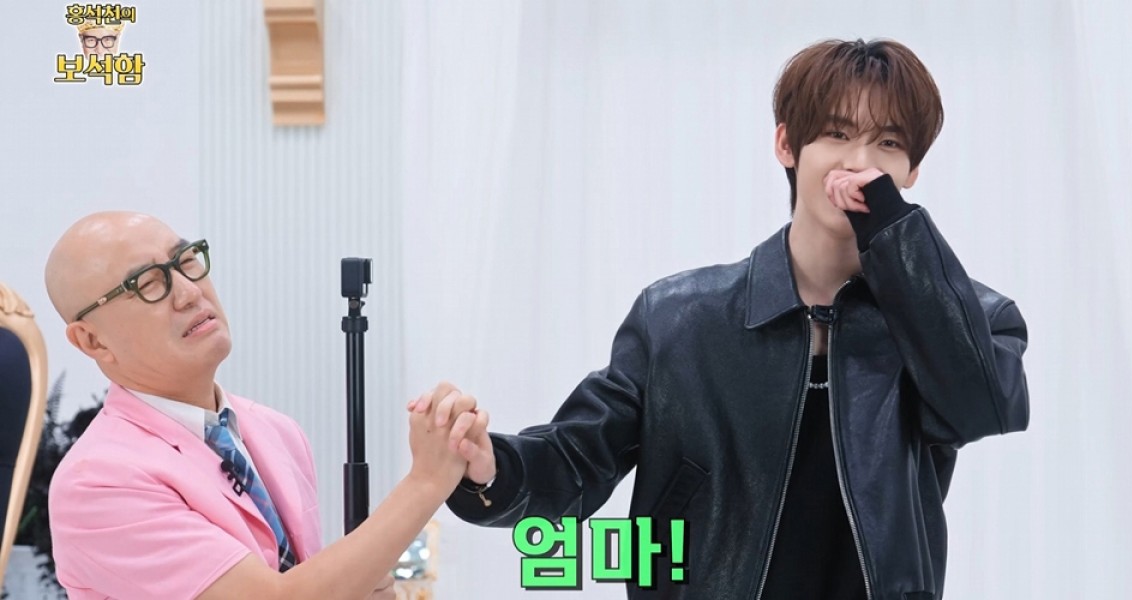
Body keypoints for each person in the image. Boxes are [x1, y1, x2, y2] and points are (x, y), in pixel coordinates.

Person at [412, 38, 1031, 599]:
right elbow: (578, 458)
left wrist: (895, 235)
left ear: (913, 170)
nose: (859, 163)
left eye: (888, 144)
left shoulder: (968, 323)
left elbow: (981, 408)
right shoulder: (679, 319)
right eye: (837, 134)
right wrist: (491, 467)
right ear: (787, 144)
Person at [45, 212, 478, 600]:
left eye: (186, 260)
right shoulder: (96, 482)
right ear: (92, 340)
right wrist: (426, 481)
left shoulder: (275, 430)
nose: (190, 292)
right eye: (147, 284)